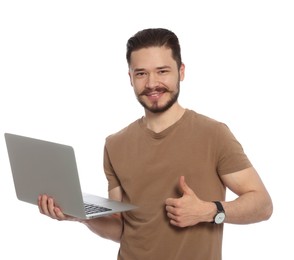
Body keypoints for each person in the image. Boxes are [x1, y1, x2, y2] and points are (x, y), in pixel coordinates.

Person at [38, 28, 273, 259]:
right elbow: (121, 228)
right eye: (141, 73)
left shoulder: (214, 134)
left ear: (181, 72)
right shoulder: (115, 144)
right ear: (130, 77)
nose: (152, 83)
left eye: (162, 71)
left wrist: (209, 211)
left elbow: (263, 205)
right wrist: (80, 216)